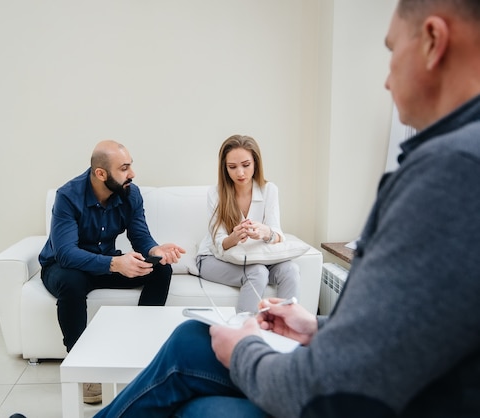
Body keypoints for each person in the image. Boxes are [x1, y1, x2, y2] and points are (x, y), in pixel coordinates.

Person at [94, 1, 480, 416]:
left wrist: (245, 351)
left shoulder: (452, 169)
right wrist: (319, 327)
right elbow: (407, 332)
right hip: (343, 364)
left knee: (200, 397)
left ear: (434, 42)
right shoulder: (451, 160)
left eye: (391, 51)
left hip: (348, 394)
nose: (386, 81)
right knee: (192, 342)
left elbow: (355, 378)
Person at [38, 140, 185, 404]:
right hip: (63, 266)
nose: (132, 174)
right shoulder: (68, 196)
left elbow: (141, 238)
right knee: (72, 282)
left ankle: (142, 351)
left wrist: (156, 250)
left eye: (131, 165)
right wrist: (114, 264)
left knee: (161, 270)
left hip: (104, 262)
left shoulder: (131, 193)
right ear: (100, 174)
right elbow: (66, 253)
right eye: (124, 168)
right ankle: (82, 367)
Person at [196, 135, 299, 314]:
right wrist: (234, 237)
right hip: (213, 258)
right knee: (258, 272)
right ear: (224, 168)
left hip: (255, 255)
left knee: (290, 269)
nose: (240, 173)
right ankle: (244, 334)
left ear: (256, 163)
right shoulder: (215, 194)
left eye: (246, 165)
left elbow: (277, 234)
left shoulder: (269, 190)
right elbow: (219, 242)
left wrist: (265, 232)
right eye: (232, 167)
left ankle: (285, 329)